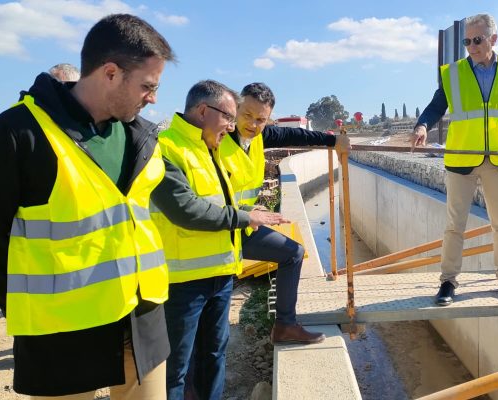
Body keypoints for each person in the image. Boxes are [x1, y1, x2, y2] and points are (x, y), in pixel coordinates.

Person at [0, 14, 176, 398]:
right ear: (110, 73)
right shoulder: (16, 134)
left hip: (143, 323)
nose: (153, 98)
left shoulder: (141, 136)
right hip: (61, 334)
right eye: (147, 86)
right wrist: (33, 308)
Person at [150, 80, 289, 400]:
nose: (233, 124)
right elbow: (185, 210)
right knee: (176, 368)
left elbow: (220, 201)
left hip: (222, 273)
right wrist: (246, 217)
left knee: (214, 355)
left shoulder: (212, 145)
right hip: (181, 280)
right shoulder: (166, 147)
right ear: (202, 110)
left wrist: (245, 209)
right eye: (229, 115)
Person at [219, 82, 350, 344]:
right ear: (235, 107)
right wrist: (246, 212)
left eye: (261, 120)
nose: (253, 124)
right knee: (213, 326)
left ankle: (285, 326)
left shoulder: (259, 137)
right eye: (247, 115)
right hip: (215, 231)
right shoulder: (216, 139)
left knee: (293, 253)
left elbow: (296, 135)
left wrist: (333, 140)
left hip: (242, 229)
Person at [411, 13, 498, 306]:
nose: (472, 46)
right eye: (467, 41)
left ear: (493, 39)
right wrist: (422, 126)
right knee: (454, 225)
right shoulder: (455, 72)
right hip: (462, 158)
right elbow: (437, 105)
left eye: (478, 40)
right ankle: (448, 283)